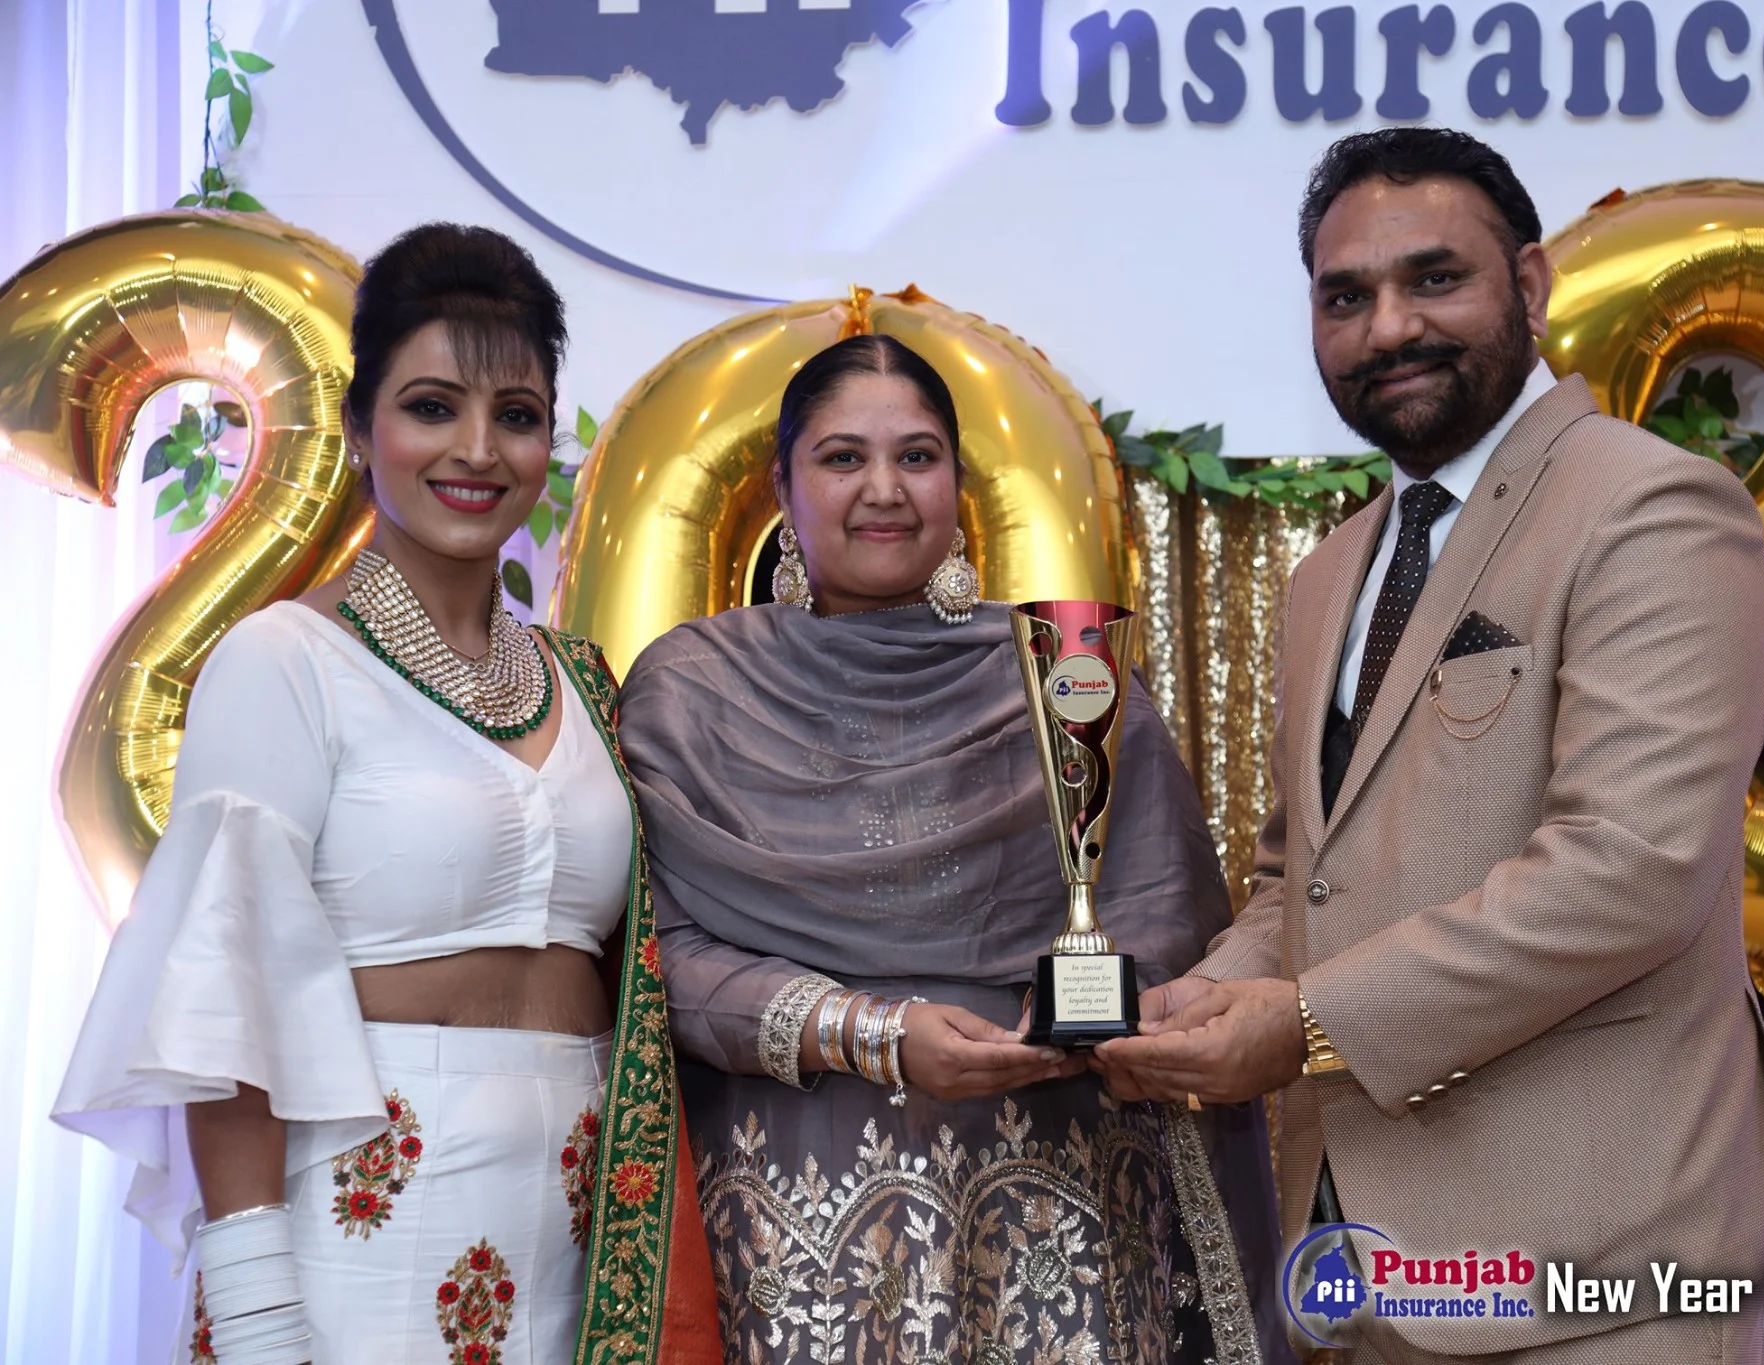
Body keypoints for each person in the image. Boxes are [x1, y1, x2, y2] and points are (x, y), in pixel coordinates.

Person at [1094, 129, 1764, 1364]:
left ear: (1528, 285)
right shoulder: (1332, 571)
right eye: (1345, 297)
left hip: (1597, 1270)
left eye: (1432, 279)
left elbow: (1629, 870)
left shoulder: (1647, 506)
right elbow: (1300, 880)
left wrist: (1301, 1025)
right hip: (1357, 1264)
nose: (1388, 328)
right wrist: (1206, 999)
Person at [53, 223, 719, 1365]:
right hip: (353, 1235)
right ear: (361, 428)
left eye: (516, 414)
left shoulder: (583, 683)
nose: (478, 449)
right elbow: (227, 1000)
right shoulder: (284, 662)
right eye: (431, 407)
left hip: (578, 1237)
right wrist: (255, 1311)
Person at [618, 334, 1290, 1364]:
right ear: (782, 488)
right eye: (843, 457)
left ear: (958, 483)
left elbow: (1162, 908)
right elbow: (660, 957)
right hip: (796, 1216)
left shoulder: (1064, 675)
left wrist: (1078, 1019)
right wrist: (871, 1033)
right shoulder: (692, 688)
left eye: (917, 456)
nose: (884, 489)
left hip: (1052, 1195)